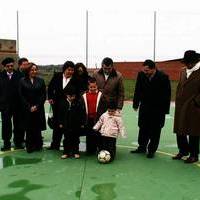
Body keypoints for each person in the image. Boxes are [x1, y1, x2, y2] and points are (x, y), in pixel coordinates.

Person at [130, 59, 171, 158]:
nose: (145, 72)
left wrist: (165, 110)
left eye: (147, 70)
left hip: (158, 109)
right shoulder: (141, 75)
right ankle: (142, 147)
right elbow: (138, 89)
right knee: (143, 127)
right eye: (144, 70)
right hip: (145, 107)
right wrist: (135, 103)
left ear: (153, 69)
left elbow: (167, 94)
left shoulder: (163, 77)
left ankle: (152, 150)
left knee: (155, 130)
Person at [172, 50, 200, 163]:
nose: (187, 65)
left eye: (189, 62)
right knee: (180, 130)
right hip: (181, 105)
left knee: (193, 131)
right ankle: (183, 150)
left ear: (195, 61)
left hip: (194, 106)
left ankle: (194, 154)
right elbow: (180, 87)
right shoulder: (183, 71)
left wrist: (196, 102)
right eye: (186, 62)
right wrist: (178, 99)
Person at [47, 61, 78, 150]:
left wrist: (73, 100)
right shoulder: (57, 76)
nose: (70, 72)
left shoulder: (75, 79)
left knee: (68, 126)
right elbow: (50, 88)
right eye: (69, 70)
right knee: (57, 126)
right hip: (56, 105)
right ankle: (55, 145)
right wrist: (50, 97)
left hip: (68, 106)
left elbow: (77, 92)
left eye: (72, 70)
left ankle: (68, 146)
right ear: (64, 69)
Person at [19, 63, 46, 153]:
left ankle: (38, 145)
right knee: (29, 128)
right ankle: (29, 146)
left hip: (38, 108)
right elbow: (21, 95)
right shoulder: (22, 81)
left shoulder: (41, 81)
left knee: (37, 127)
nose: (34, 71)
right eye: (32, 70)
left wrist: (37, 106)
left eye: (35, 69)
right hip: (27, 109)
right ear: (28, 71)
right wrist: (29, 107)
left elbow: (43, 95)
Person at [0, 57, 24, 151]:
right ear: (4, 67)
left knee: (18, 124)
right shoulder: (0, 76)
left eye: (11, 65)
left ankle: (18, 142)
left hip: (18, 105)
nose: (10, 67)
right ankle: (6, 144)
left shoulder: (20, 75)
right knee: (6, 125)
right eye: (8, 66)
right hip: (5, 105)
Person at [81, 77, 107, 154]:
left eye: (94, 87)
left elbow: (104, 107)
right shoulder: (84, 96)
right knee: (89, 135)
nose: (93, 88)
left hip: (98, 119)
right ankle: (90, 150)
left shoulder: (101, 95)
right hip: (88, 119)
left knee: (99, 135)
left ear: (97, 86)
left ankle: (100, 149)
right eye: (91, 87)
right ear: (88, 87)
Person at [58, 87, 85, 159]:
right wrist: (60, 123)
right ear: (67, 95)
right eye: (70, 96)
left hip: (75, 125)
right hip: (66, 125)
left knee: (76, 139)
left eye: (73, 96)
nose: (72, 98)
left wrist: (82, 123)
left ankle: (76, 152)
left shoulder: (78, 103)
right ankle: (66, 152)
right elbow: (60, 114)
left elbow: (81, 113)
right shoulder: (62, 103)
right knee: (66, 139)